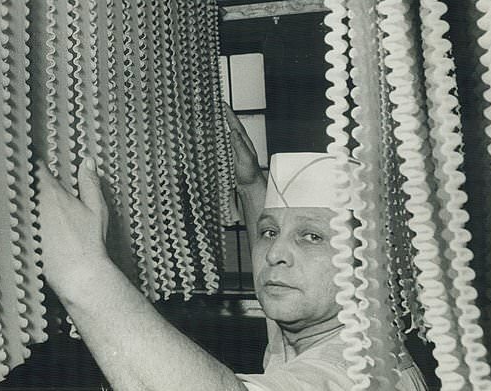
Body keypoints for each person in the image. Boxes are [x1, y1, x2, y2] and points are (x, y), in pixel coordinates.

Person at [37, 106, 427, 391]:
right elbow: (275, 254)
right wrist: (251, 185)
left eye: (312, 237)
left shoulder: (357, 369)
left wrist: (83, 272)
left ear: (368, 266)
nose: (275, 254)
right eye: (271, 233)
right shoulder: (318, 320)